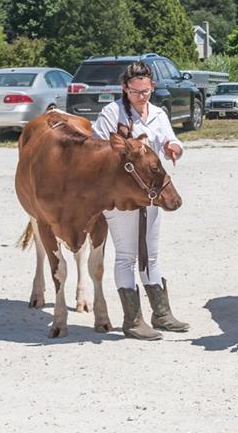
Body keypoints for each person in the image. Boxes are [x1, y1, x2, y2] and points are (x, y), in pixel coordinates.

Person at [92, 62, 188, 341]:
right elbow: (98, 148)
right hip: (121, 195)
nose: (141, 97)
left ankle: (161, 313)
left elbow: (172, 141)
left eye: (146, 91)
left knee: (151, 253)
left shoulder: (158, 114)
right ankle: (132, 320)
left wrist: (174, 148)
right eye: (135, 92)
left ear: (152, 87)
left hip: (151, 192)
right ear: (125, 88)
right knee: (126, 256)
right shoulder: (112, 112)